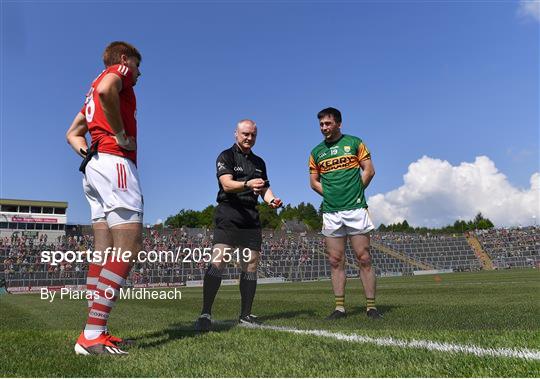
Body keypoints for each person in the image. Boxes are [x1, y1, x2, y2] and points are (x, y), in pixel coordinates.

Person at [66, 41, 143, 355]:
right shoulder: (116, 72)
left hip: (95, 167)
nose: (138, 74)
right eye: (138, 66)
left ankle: (94, 330)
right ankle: (93, 333)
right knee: (130, 243)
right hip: (115, 162)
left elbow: (72, 133)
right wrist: (119, 133)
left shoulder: (89, 91)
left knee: (103, 249)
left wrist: (90, 154)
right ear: (125, 59)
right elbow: (106, 91)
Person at [195, 119, 282, 332]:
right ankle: (205, 313)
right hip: (229, 214)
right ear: (236, 133)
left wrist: (271, 200)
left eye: (252, 135)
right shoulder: (226, 156)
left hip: (251, 218)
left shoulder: (259, 162)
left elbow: (264, 189)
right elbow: (226, 184)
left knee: (251, 264)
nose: (249, 138)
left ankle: (245, 315)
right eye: (245, 134)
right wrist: (246, 184)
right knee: (219, 260)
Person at [308, 107, 382, 320]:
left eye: (328, 123)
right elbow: (313, 182)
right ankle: (340, 308)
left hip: (356, 208)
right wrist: (330, 194)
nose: (324, 128)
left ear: (339, 123)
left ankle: (371, 307)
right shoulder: (316, 152)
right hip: (331, 212)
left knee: (364, 257)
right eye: (321, 124)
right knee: (335, 260)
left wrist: (358, 191)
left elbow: (369, 170)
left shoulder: (355, 142)